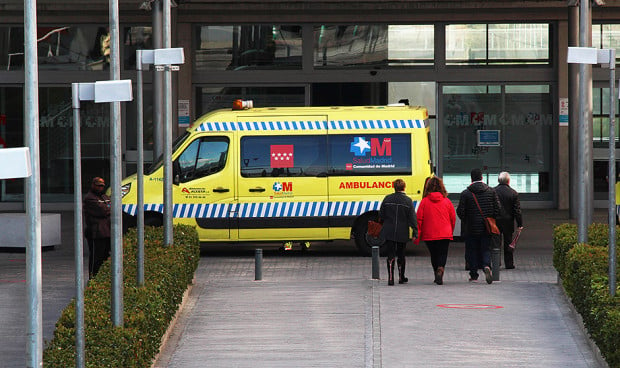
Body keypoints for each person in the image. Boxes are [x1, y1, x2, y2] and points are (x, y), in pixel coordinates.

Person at [456, 168, 500, 284]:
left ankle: (474, 275)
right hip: (486, 227)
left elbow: (460, 211)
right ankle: (487, 265)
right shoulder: (491, 191)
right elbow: (498, 209)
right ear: (481, 178)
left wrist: (466, 220)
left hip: (471, 227)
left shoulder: (466, 193)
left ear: (471, 179)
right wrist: (491, 218)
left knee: (472, 250)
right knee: (486, 248)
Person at [414, 176, 456, 285]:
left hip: (429, 233)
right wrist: (450, 230)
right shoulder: (447, 201)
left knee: (434, 254)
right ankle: (441, 268)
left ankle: (435, 272)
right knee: (443, 253)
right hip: (444, 233)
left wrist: (418, 233)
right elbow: (453, 218)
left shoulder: (424, 202)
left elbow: (419, 219)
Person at [379, 178, 418, 285]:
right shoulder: (408, 201)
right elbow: (412, 219)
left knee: (390, 254)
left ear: (394, 187)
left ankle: (390, 278)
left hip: (389, 231)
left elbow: (381, 215)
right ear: (404, 187)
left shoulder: (387, 199)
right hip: (402, 231)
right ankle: (401, 277)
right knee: (401, 254)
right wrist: (415, 232)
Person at [83, 177, 111, 279]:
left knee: (105, 256)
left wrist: (107, 208)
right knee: (96, 258)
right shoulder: (90, 198)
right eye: (98, 185)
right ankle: (93, 278)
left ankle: (101, 278)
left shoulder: (105, 196)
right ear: (93, 185)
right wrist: (108, 208)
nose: (100, 188)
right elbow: (102, 211)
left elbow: (110, 207)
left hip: (106, 233)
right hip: (96, 233)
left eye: (102, 186)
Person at [494, 171, 523, 269]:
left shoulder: (493, 191)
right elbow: (517, 211)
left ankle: (496, 262)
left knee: (496, 242)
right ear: (508, 181)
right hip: (508, 221)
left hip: (496, 221)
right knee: (508, 242)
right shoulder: (513, 193)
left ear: (498, 180)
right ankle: (509, 263)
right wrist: (520, 224)